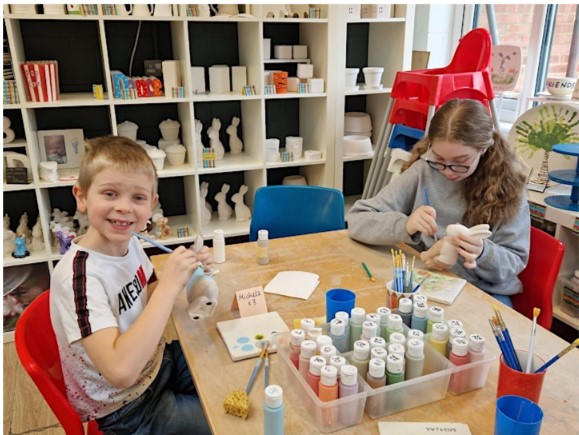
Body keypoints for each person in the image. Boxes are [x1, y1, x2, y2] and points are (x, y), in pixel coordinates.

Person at [50, 136, 212, 434]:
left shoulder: (131, 242)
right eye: (110, 193)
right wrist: (169, 287)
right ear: (82, 197)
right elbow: (120, 372)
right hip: (125, 407)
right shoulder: (80, 277)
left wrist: (185, 275)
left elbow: (150, 293)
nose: (124, 208)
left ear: (151, 204)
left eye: (137, 198)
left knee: (227, 373)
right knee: (230, 422)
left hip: (156, 365)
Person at [348, 99, 530, 306]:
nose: (447, 170)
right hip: (427, 279)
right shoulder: (424, 170)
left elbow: (513, 264)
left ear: (483, 148)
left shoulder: (509, 187)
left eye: (461, 162)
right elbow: (357, 219)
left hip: (483, 291)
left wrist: (481, 252)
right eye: (439, 158)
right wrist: (405, 225)